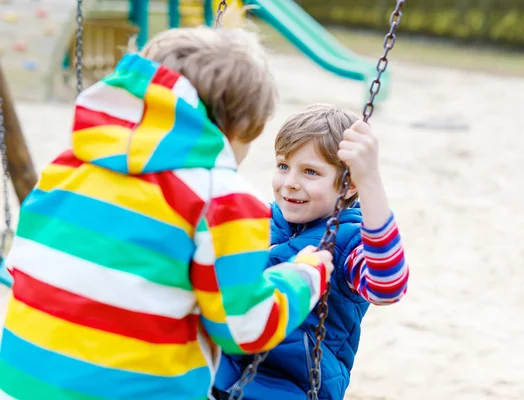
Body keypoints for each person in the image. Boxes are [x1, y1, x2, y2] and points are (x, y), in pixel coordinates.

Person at [0, 27, 334, 400]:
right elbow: (245, 329)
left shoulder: (69, 165)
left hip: (21, 382)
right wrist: (305, 275)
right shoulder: (222, 198)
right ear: (240, 128)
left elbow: (20, 269)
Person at [214, 104, 410, 399]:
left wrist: (370, 181)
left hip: (292, 386)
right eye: (283, 166)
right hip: (222, 373)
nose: (290, 183)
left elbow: (387, 287)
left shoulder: (348, 244)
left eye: (310, 171)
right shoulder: (259, 221)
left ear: (349, 185)